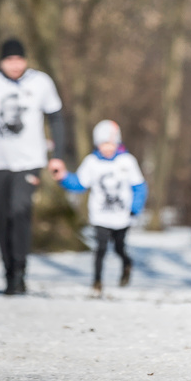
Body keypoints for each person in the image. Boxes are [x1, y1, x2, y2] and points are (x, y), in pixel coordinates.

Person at [0, 38, 67, 295]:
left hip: (30, 162)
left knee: (20, 212)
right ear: (1, 61)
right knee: (2, 217)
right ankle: (8, 271)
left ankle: (19, 272)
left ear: (26, 60)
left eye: (19, 59)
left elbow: (57, 118)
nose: (15, 65)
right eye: (10, 60)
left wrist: (58, 155)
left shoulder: (41, 82)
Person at [51, 120, 147, 293]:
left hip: (122, 216)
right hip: (100, 215)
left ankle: (127, 264)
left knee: (119, 247)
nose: (107, 148)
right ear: (97, 144)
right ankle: (97, 282)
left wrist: (135, 208)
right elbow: (80, 183)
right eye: (103, 144)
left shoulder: (127, 161)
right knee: (100, 248)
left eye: (110, 143)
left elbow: (139, 186)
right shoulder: (92, 162)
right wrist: (63, 177)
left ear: (117, 142)